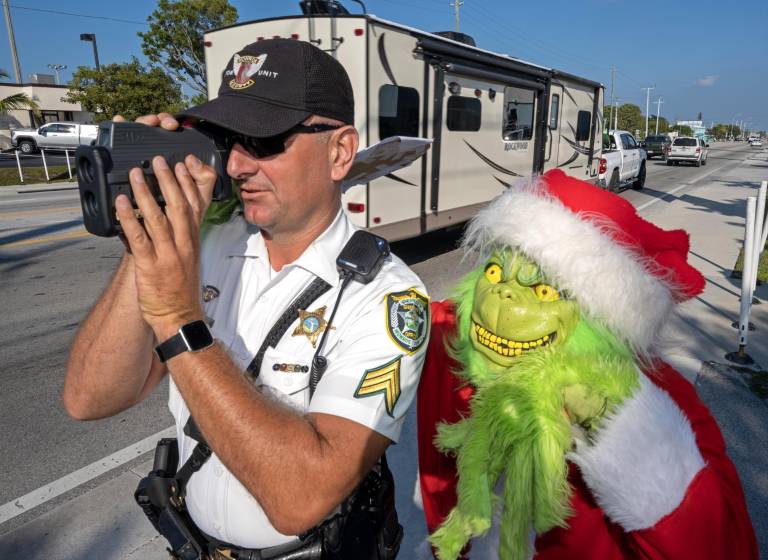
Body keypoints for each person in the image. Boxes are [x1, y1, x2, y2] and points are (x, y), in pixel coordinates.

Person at [63, 38, 429, 559]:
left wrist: (177, 319)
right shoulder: (205, 245)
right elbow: (90, 399)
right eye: (228, 137)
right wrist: (144, 238)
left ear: (340, 151)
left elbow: (299, 498)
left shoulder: (387, 296)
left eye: (264, 140)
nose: (236, 164)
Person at [416, 170, 757, 559]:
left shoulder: (663, 401)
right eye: (495, 272)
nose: (503, 297)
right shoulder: (452, 339)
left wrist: (619, 425)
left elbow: (725, 546)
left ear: (601, 320)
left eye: (544, 290)